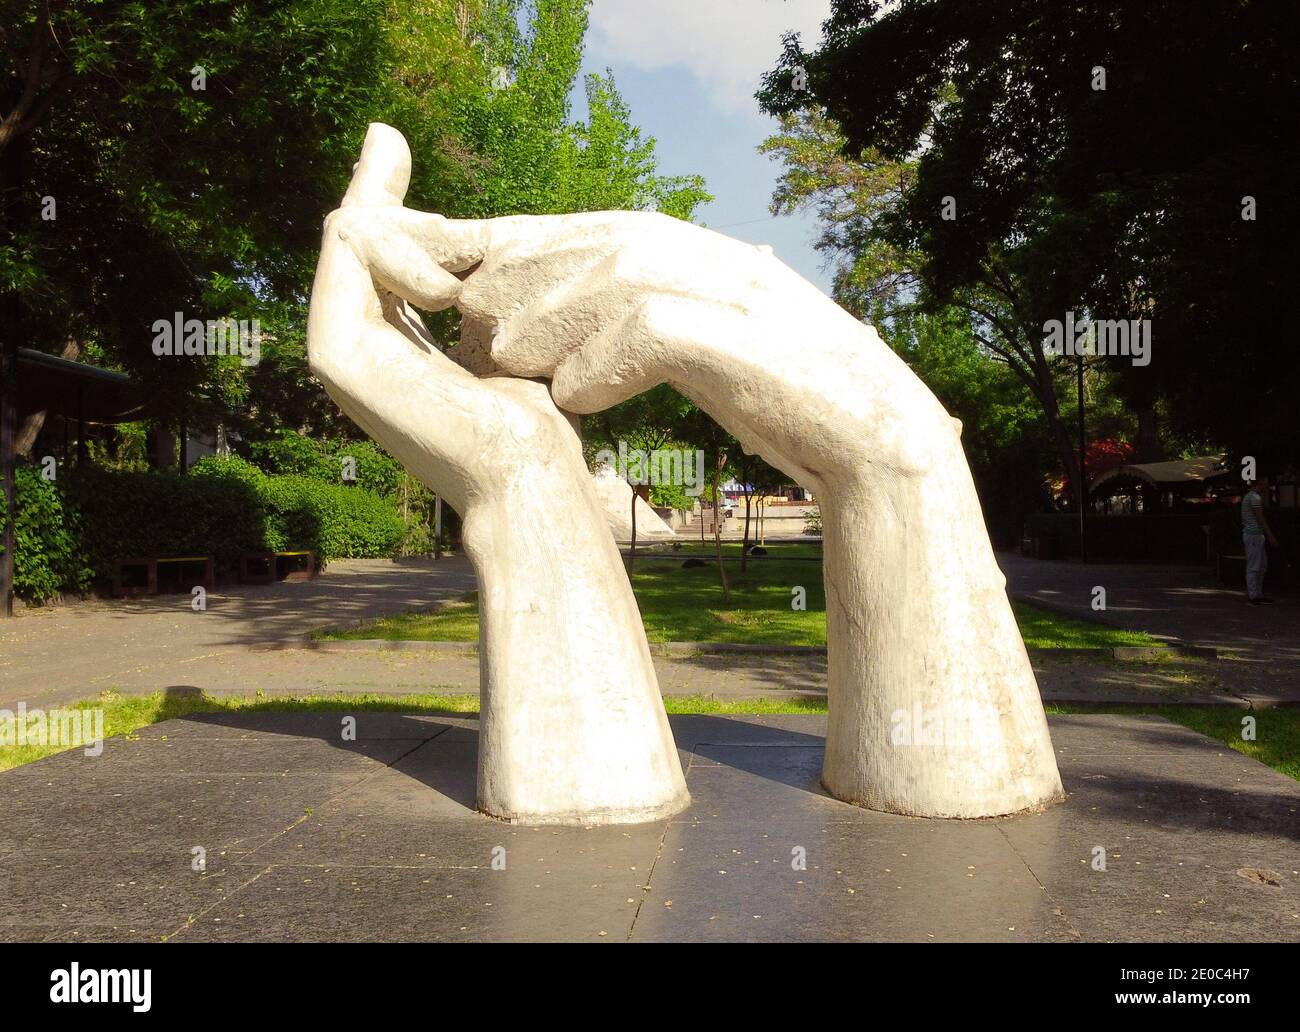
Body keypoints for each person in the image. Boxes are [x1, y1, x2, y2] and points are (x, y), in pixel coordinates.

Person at [1241, 476, 1278, 605]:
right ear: (1260, 483)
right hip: (1254, 535)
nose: (1267, 487)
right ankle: (1254, 596)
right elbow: (1260, 519)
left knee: (1261, 566)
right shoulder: (1254, 498)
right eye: (1265, 484)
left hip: (1255, 535)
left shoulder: (1250, 496)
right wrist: (1270, 536)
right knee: (1255, 566)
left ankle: (1257, 594)